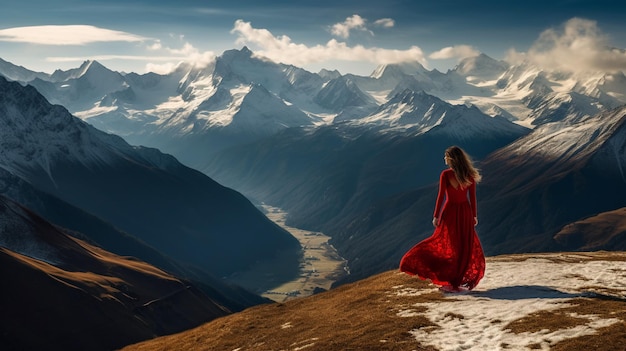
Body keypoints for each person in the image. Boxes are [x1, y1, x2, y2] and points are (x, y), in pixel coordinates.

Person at [399, 146, 485, 292]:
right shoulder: (469, 175)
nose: (444, 159)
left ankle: (447, 276)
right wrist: (474, 215)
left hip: (450, 212)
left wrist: (436, 215)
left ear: (451, 158)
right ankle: (456, 277)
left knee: (447, 243)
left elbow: (441, 197)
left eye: (445, 156)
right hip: (465, 212)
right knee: (463, 245)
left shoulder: (445, 175)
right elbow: (472, 198)